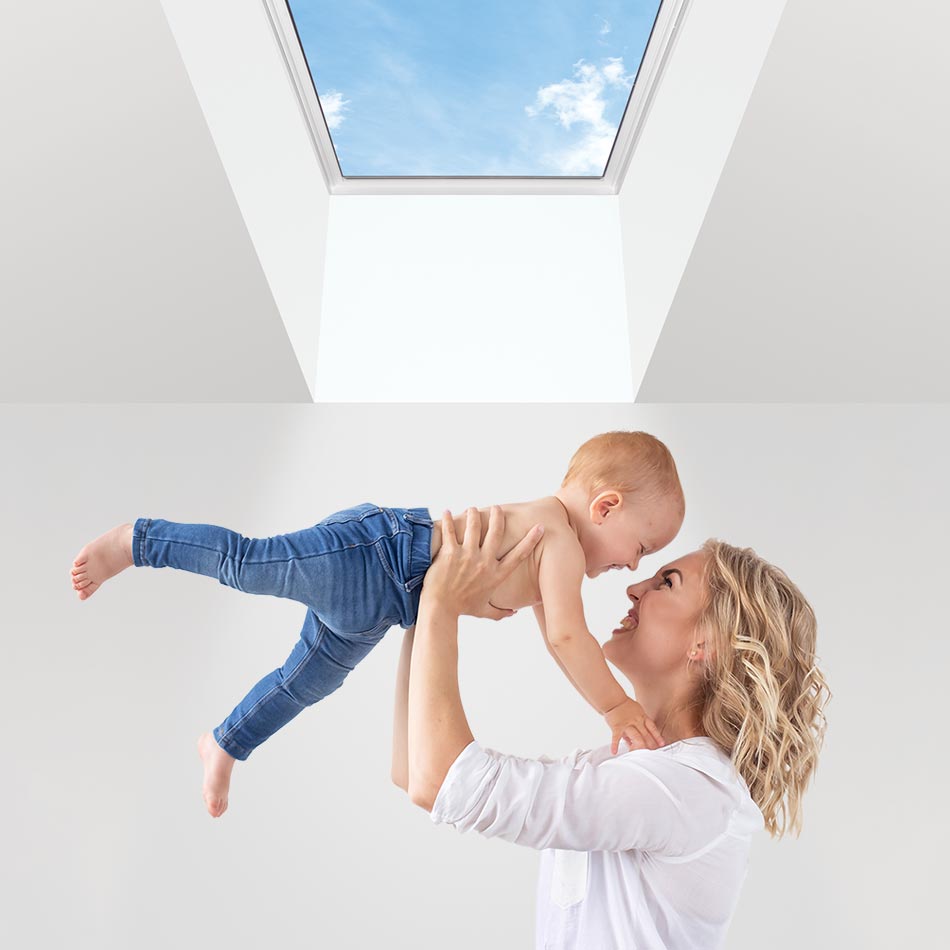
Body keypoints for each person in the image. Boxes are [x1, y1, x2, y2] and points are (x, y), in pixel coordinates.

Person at [69, 431, 685, 817]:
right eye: (641, 547)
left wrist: (602, 697)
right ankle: (135, 542)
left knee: (307, 683)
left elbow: (560, 643)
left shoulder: (557, 546)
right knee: (249, 564)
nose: (633, 564)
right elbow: (568, 636)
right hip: (378, 556)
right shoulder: (559, 539)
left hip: (389, 604)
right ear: (606, 507)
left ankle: (226, 742)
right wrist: (614, 709)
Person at [394, 508, 830, 950]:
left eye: (667, 582)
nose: (634, 587)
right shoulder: (628, 769)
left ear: (707, 642)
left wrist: (440, 603)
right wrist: (422, 607)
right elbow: (414, 771)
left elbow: (443, 781)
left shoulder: (687, 789)